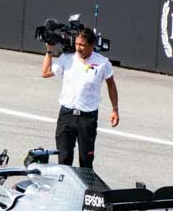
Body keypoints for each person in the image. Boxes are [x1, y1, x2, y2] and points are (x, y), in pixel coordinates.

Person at [41, 22, 119, 169]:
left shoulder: (102, 63)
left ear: (92, 45)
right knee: (64, 159)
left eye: (82, 45)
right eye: (76, 44)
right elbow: (45, 73)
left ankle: (85, 191)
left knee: (86, 160)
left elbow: (111, 85)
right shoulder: (67, 58)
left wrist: (115, 109)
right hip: (66, 115)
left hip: (87, 118)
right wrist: (49, 51)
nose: (78, 48)